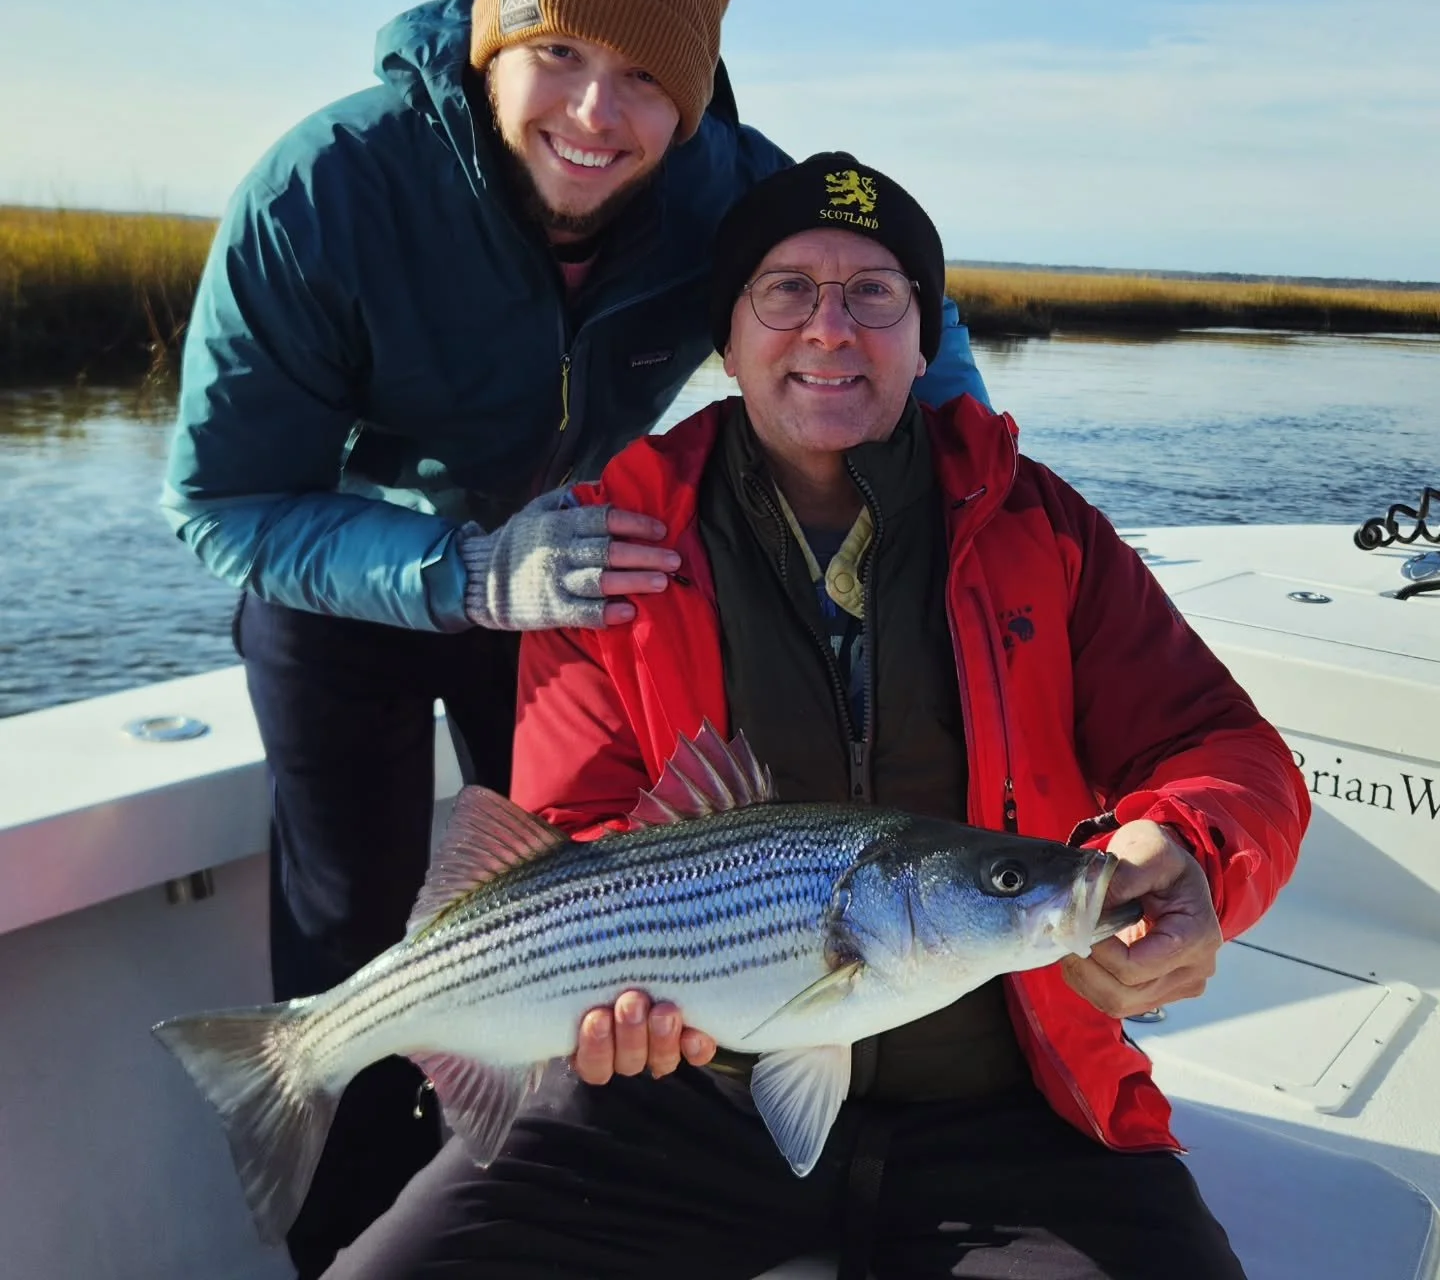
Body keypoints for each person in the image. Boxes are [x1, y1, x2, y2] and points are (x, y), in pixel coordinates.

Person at [162, 0, 989, 1272]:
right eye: (559, 53)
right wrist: (461, 572)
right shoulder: (323, 193)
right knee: (350, 921)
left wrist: (974, 491)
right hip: (346, 580)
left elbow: (906, 317)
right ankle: (346, 1240)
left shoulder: (731, 192)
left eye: (650, 76)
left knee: (582, 921)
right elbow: (224, 502)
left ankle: (525, 1209)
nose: (599, 115)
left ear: (698, 91)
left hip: (578, 591)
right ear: (498, 35)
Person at [322, 151, 1310, 1280]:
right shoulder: (610, 540)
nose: (830, 328)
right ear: (726, 337)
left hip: (1014, 1102)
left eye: (875, 293)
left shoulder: (1039, 525)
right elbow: (573, 833)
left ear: (926, 338)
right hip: (679, 1100)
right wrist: (613, 999)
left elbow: (1223, 746)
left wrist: (1189, 848)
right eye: (785, 289)